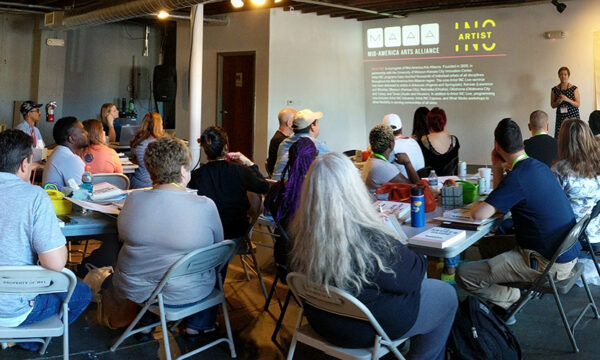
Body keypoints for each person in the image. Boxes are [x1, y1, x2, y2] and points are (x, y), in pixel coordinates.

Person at [290, 152, 457, 360]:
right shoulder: (370, 240)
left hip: (322, 321)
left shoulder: (299, 234)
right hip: (366, 331)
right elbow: (414, 275)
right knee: (445, 294)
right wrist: (391, 234)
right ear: (354, 189)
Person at [457, 118, 578, 321]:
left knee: (465, 274)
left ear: (497, 146)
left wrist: (496, 167)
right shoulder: (537, 167)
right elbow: (501, 198)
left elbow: (480, 215)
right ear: (522, 142)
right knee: (488, 245)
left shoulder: (519, 177)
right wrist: (498, 166)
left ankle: (509, 299)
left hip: (546, 264)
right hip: (563, 253)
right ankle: (510, 292)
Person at [101, 137, 223, 334]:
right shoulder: (205, 205)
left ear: (151, 169)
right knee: (213, 264)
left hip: (133, 288)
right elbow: (217, 249)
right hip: (184, 292)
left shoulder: (133, 200)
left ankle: (145, 321)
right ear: (183, 170)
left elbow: (123, 236)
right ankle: (198, 325)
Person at [0, 130, 91, 352]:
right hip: (13, 310)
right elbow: (54, 264)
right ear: (24, 164)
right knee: (81, 293)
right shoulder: (35, 197)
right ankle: (29, 341)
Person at [189, 126, 270, 240]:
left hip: (209, 236)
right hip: (237, 235)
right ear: (226, 147)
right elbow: (265, 187)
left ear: (205, 149)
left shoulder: (195, 176)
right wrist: (249, 163)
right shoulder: (240, 171)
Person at [553, 119, 600, 253]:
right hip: (596, 235)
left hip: (572, 239)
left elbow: (553, 208)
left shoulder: (559, 171)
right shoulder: (597, 167)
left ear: (562, 141)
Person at [272, 109, 331, 180]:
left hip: (277, 187)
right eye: (317, 123)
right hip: (297, 189)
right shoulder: (316, 145)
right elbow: (334, 167)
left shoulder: (284, 143)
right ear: (313, 127)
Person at [363, 124, 420, 194]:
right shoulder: (383, 167)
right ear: (391, 145)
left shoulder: (371, 161)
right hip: (376, 204)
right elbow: (417, 190)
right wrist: (408, 163)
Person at [42, 116, 89, 188]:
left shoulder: (59, 152)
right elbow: (81, 195)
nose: (87, 133)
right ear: (72, 139)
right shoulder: (70, 159)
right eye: (82, 132)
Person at [419, 107, 460, 176]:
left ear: (429, 122)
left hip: (430, 184)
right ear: (444, 121)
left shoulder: (423, 141)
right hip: (451, 183)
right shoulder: (454, 140)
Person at [130, 112, 166, 189]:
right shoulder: (163, 144)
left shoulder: (138, 143)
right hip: (157, 183)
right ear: (159, 126)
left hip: (139, 182)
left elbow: (135, 160)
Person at [551, 66, 580, 138]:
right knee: (561, 137)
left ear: (568, 76)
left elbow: (578, 104)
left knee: (574, 137)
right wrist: (558, 101)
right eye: (561, 74)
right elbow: (552, 105)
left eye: (565, 74)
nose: (563, 76)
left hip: (573, 116)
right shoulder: (554, 89)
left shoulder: (574, 88)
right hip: (561, 118)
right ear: (559, 76)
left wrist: (567, 99)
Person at [267, 108, 296, 176]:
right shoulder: (282, 141)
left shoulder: (280, 137)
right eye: (296, 120)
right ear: (289, 123)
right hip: (282, 182)